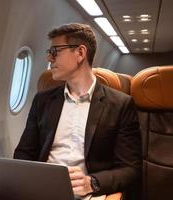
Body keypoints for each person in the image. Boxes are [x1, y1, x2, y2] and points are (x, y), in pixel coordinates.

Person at [13, 23, 142, 198]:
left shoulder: (120, 104)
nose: (50, 59)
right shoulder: (42, 100)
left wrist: (92, 182)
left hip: (87, 193)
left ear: (80, 53)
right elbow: (24, 153)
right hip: (41, 189)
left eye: (55, 51)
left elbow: (130, 169)